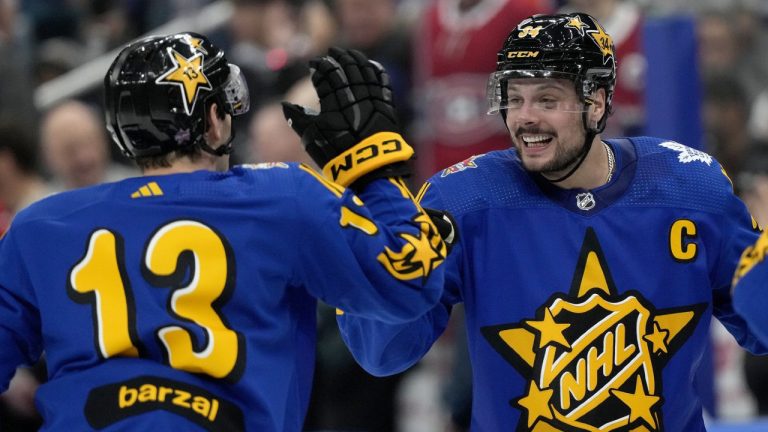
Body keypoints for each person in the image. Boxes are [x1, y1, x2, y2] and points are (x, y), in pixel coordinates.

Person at [335, 13, 768, 431]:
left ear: (595, 102)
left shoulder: (691, 189)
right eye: (514, 97)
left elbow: (762, 329)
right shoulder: (463, 200)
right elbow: (382, 353)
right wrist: (381, 213)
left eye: (547, 99)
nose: (525, 117)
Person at [0, 33, 446, 431]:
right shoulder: (283, 195)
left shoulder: (42, 224)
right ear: (214, 118)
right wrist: (373, 168)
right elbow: (410, 281)